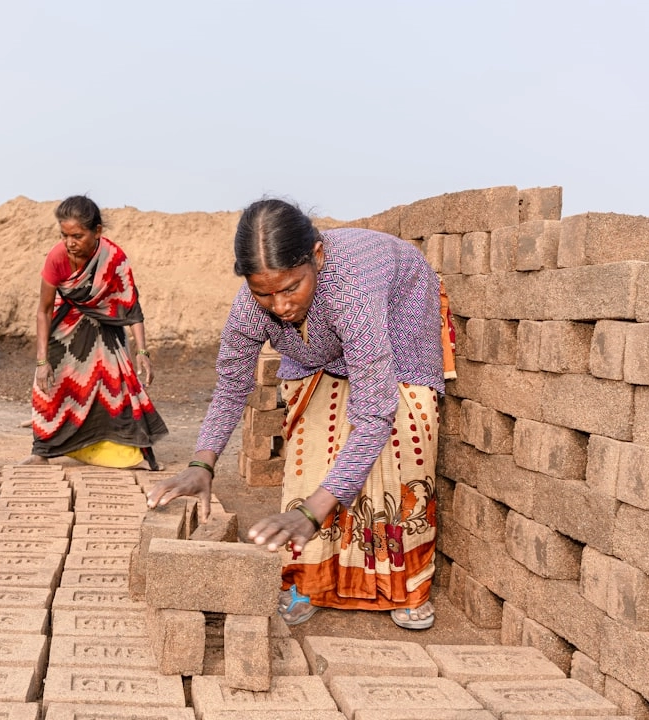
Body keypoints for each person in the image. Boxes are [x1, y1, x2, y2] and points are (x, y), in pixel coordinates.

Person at [146, 198, 449, 629]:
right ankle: (308, 579)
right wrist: (203, 461)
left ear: (318, 258)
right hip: (318, 350)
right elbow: (233, 385)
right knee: (313, 445)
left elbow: (375, 417)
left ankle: (405, 587)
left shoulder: (351, 293)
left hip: (399, 315)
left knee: (398, 446)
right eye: (264, 292)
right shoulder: (252, 307)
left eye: (291, 288)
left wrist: (312, 512)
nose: (281, 306)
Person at [25, 195, 168, 469]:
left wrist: (142, 352)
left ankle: (127, 454)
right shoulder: (56, 258)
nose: (69, 243)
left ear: (97, 232)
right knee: (51, 386)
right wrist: (42, 361)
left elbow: (130, 306)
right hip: (63, 326)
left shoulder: (113, 258)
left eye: (77, 236)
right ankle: (41, 451)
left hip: (104, 328)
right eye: (64, 235)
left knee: (115, 384)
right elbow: (42, 311)